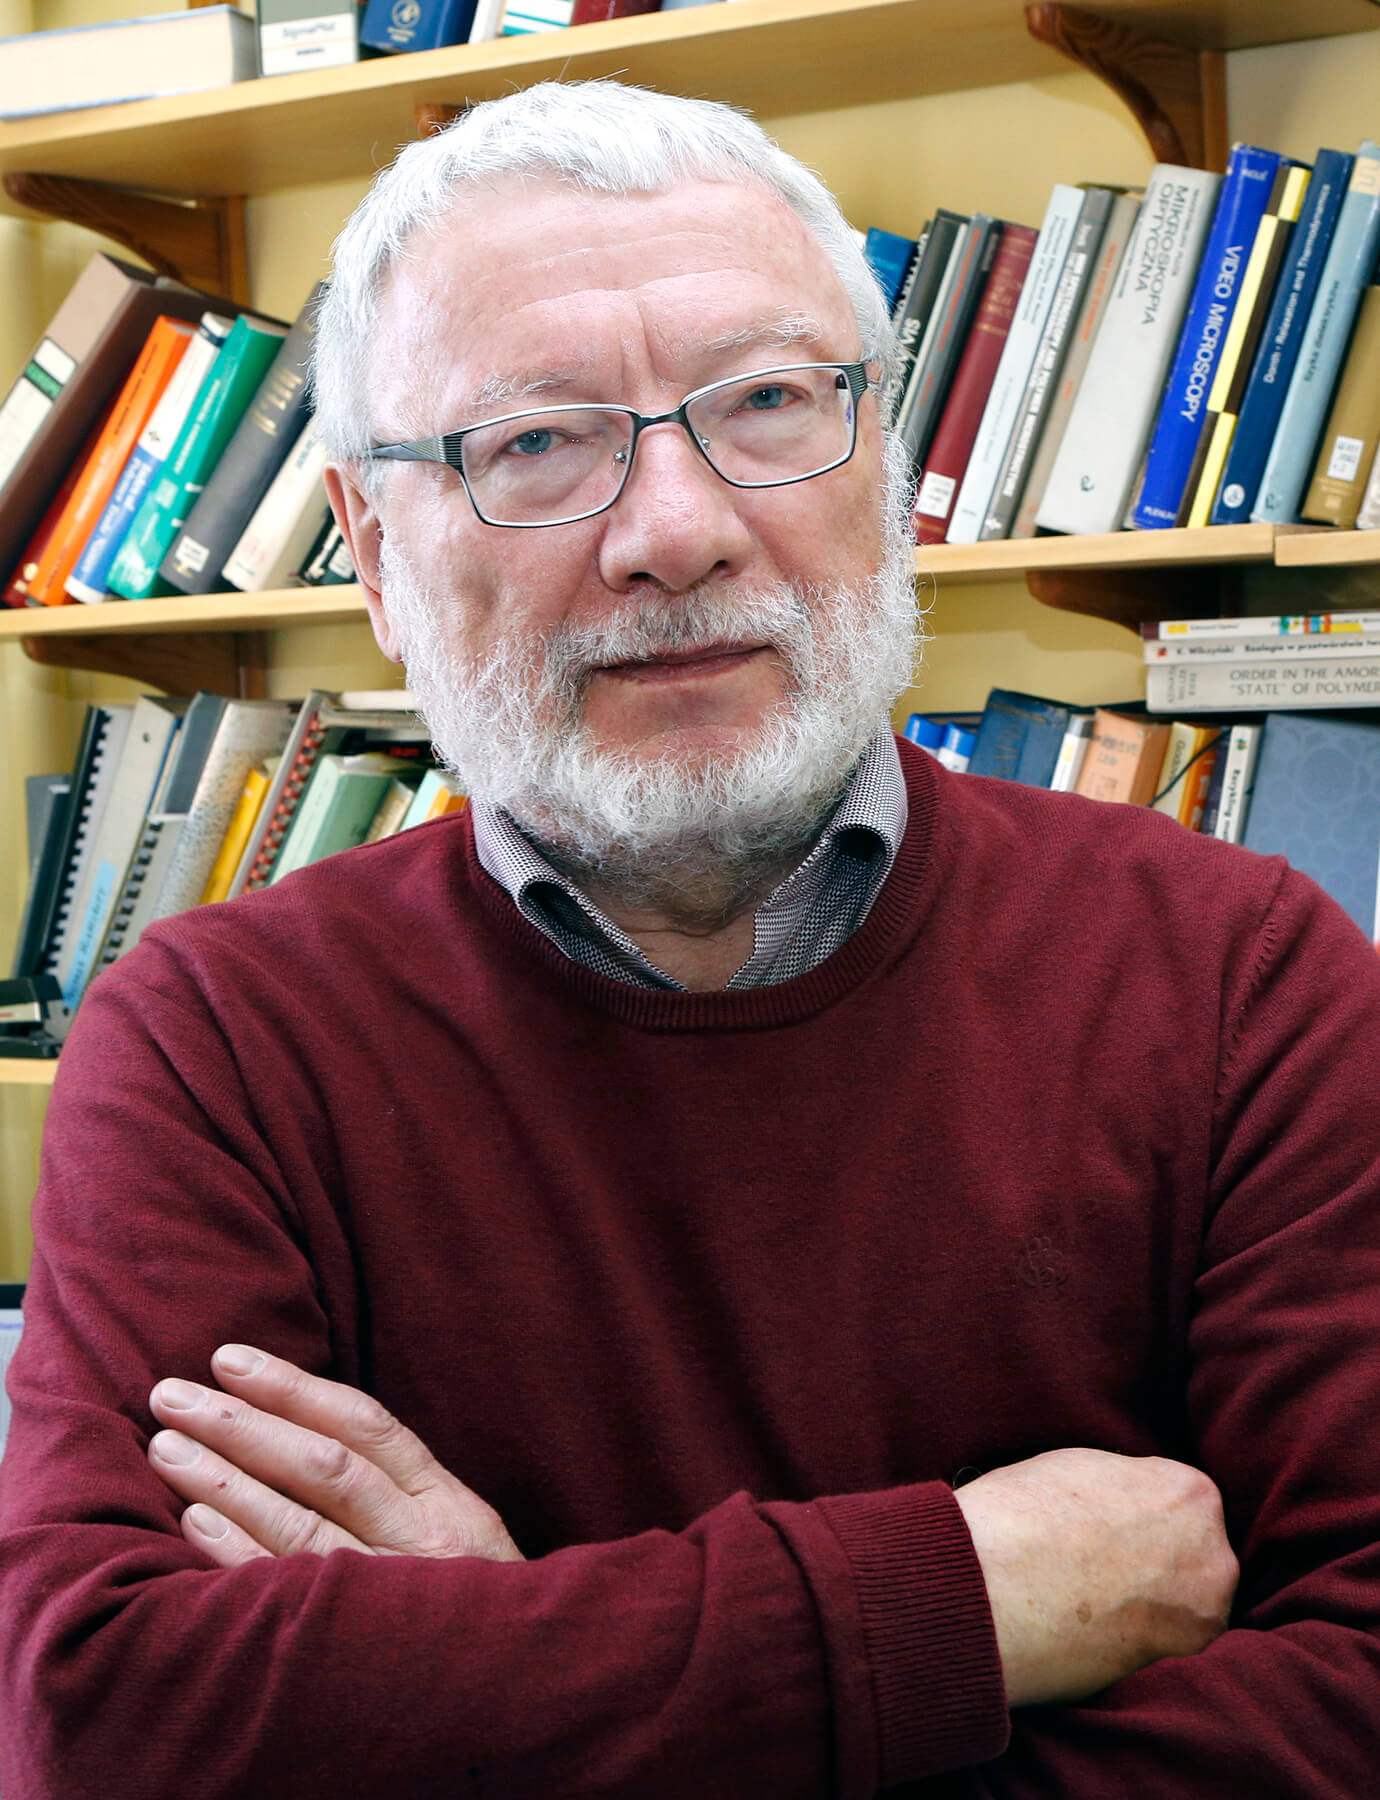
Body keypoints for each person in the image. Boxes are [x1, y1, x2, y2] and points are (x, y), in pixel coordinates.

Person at [1, 78, 1378, 1799]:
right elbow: (107, 1724)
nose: (676, 531)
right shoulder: (217, 1046)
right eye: (535, 442)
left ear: (887, 465)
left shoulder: (1242, 980)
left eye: (770, 403)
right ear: (370, 549)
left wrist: (498, 1675)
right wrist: (951, 1604)